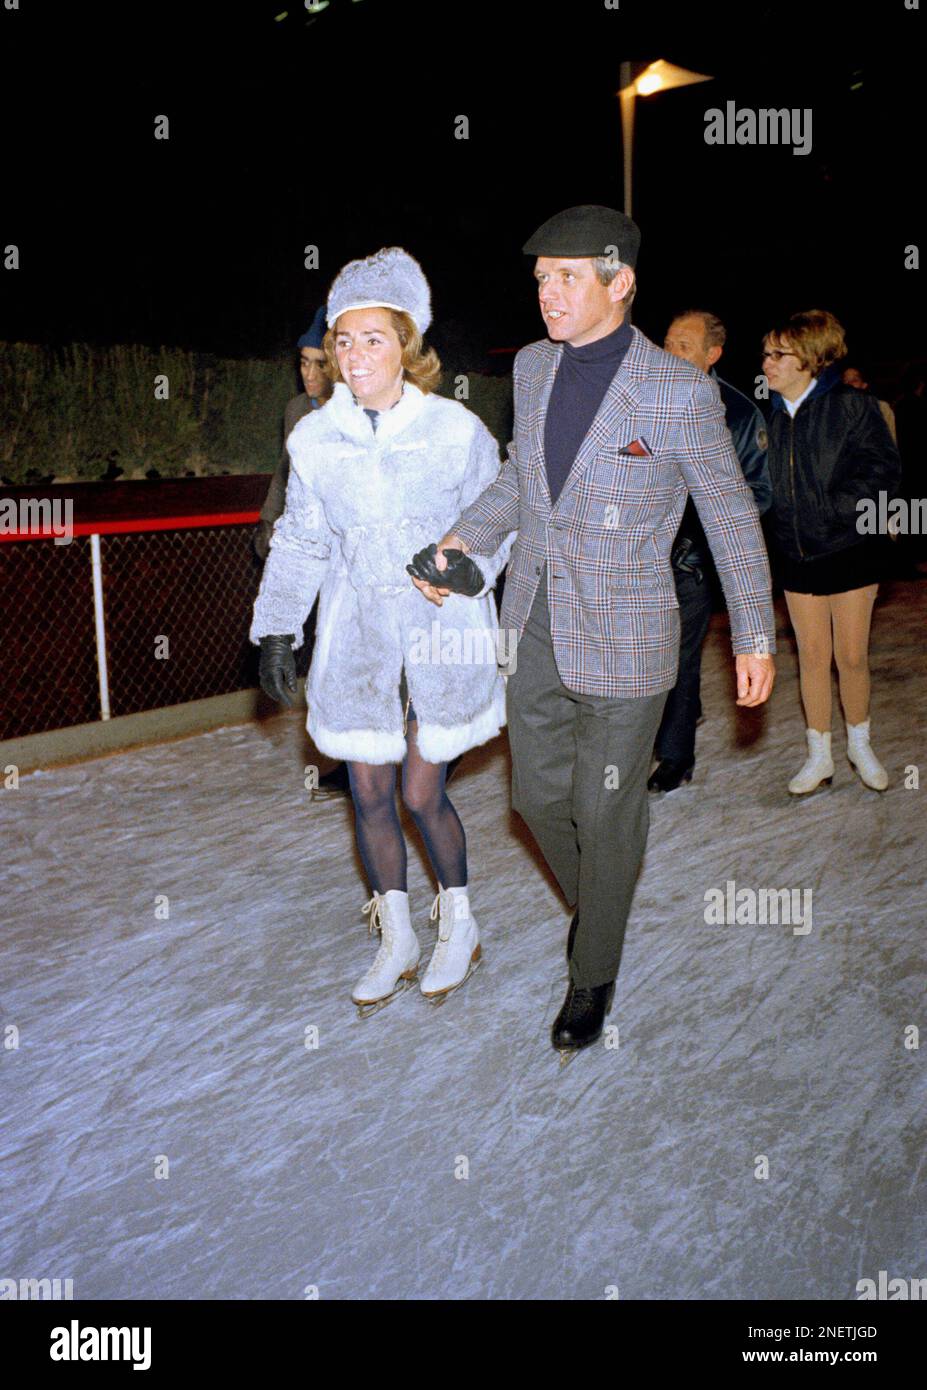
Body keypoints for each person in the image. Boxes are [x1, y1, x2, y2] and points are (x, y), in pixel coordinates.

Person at [409, 206, 775, 1057]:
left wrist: (752, 631)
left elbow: (725, 511)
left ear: (622, 283)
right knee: (535, 799)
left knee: (602, 811)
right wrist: (464, 535)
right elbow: (519, 482)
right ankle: (602, 907)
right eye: (540, 278)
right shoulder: (534, 368)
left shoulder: (677, 391)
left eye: (568, 276)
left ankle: (592, 970)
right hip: (532, 621)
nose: (547, 293)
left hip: (628, 634)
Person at [251, 248, 515, 1012]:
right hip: (357, 636)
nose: (355, 354)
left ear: (407, 346)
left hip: (438, 633)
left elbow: (494, 520)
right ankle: (396, 937)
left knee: (421, 787)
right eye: (344, 340)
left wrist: (471, 570)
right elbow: (302, 538)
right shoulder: (314, 439)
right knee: (368, 791)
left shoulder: (454, 429)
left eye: (374, 338)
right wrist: (277, 630)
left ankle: (457, 925)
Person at [762, 310, 901, 794]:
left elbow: (883, 474)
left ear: (810, 360)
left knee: (851, 656)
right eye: (767, 353)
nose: (767, 363)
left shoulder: (852, 406)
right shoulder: (773, 416)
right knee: (812, 657)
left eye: (778, 354)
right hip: (796, 556)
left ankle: (859, 745)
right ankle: (819, 755)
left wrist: (831, 510)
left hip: (849, 550)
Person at [649, 310, 772, 792]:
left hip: (689, 562)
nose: (668, 352)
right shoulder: (645, 400)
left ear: (711, 355)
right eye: (666, 340)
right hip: (639, 559)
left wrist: (693, 543)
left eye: (683, 344)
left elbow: (757, 495)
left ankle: (676, 758)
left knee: (678, 658)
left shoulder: (737, 413)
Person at [254, 306, 332, 562]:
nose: (309, 374)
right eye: (304, 362)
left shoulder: (355, 413)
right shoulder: (295, 409)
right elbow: (285, 471)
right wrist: (268, 519)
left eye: (320, 365)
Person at [841, 362, 897, 443]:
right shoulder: (838, 411)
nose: (849, 385)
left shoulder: (881, 408)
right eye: (845, 381)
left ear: (864, 385)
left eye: (854, 380)